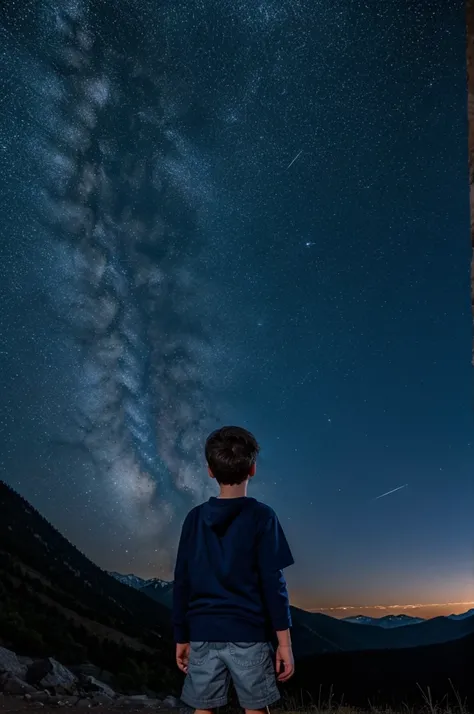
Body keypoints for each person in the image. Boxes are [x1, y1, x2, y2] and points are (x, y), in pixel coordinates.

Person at [172, 425, 295, 714]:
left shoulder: (194, 519)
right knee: (255, 710)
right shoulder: (263, 516)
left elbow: (182, 581)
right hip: (249, 634)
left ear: (210, 471)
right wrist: (284, 644)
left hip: (202, 632)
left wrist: (181, 636)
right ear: (252, 469)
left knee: (203, 709)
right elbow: (274, 584)